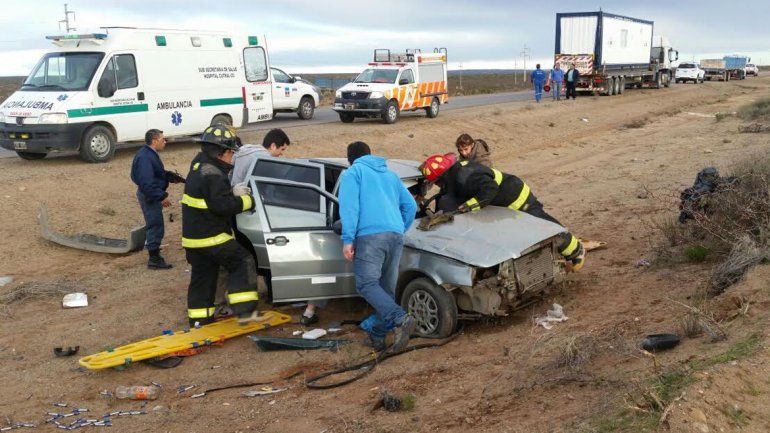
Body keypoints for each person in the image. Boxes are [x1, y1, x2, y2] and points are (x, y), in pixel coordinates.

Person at [421, 153, 585, 271]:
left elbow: (489, 188)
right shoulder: (456, 173)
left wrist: (469, 206)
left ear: (442, 179)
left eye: (436, 183)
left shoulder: (464, 178)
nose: (437, 187)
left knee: (543, 225)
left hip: (516, 197)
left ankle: (575, 250)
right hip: (502, 204)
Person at [181, 124, 264, 327]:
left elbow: (210, 198)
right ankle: (245, 313)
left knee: (203, 277)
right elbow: (223, 206)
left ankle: (199, 319)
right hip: (212, 237)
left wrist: (230, 190)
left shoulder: (199, 164)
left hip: (193, 240)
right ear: (224, 151)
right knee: (242, 261)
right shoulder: (214, 173)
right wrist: (249, 201)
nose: (232, 158)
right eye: (231, 153)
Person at [339, 141, 417, 352]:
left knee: (366, 284)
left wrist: (348, 239)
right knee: (385, 291)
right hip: (395, 235)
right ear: (369, 154)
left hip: (369, 237)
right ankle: (378, 335)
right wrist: (400, 227)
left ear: (350, 160)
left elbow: (350, 208)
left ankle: (400, 318)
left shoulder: (353, 173)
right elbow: (411, 206)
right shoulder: (390, 175)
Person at [130, 129, 184, 269]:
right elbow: (147, 182)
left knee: (155, 223)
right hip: (150, 196)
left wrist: (167, 177)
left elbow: (151, 175)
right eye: (162, 139)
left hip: (150, 194)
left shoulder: (147, 154)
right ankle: (154, 259)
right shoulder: (145, 157)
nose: (165, 142)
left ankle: (154, 254)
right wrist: (161, 196)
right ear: (154, 141)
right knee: (155, 224)